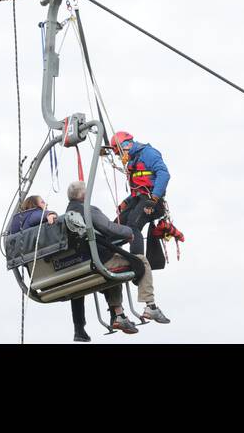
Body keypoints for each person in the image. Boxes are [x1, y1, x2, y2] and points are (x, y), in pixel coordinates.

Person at [64, 179, 142, 339]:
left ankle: (88, 326)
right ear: (83, 194)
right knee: (129, 263)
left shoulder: (66, 218)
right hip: (94, 262)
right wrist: (128, 232)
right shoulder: (86, 210)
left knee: (106, 267)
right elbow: (108, 227)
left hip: (73, 268)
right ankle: (141, 307)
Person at [108, 131, 171, 324]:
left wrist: (154, 199)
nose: (119, 157)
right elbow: (137, 189)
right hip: (139, 199)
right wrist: (126, 204)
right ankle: (113, 263)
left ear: (126, 145)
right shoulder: (133, 160)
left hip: (152, 201)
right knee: (113, 228)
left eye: (118, 152)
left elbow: (163, 174)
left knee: (133, 225)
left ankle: (138, 265)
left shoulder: (148, 153)